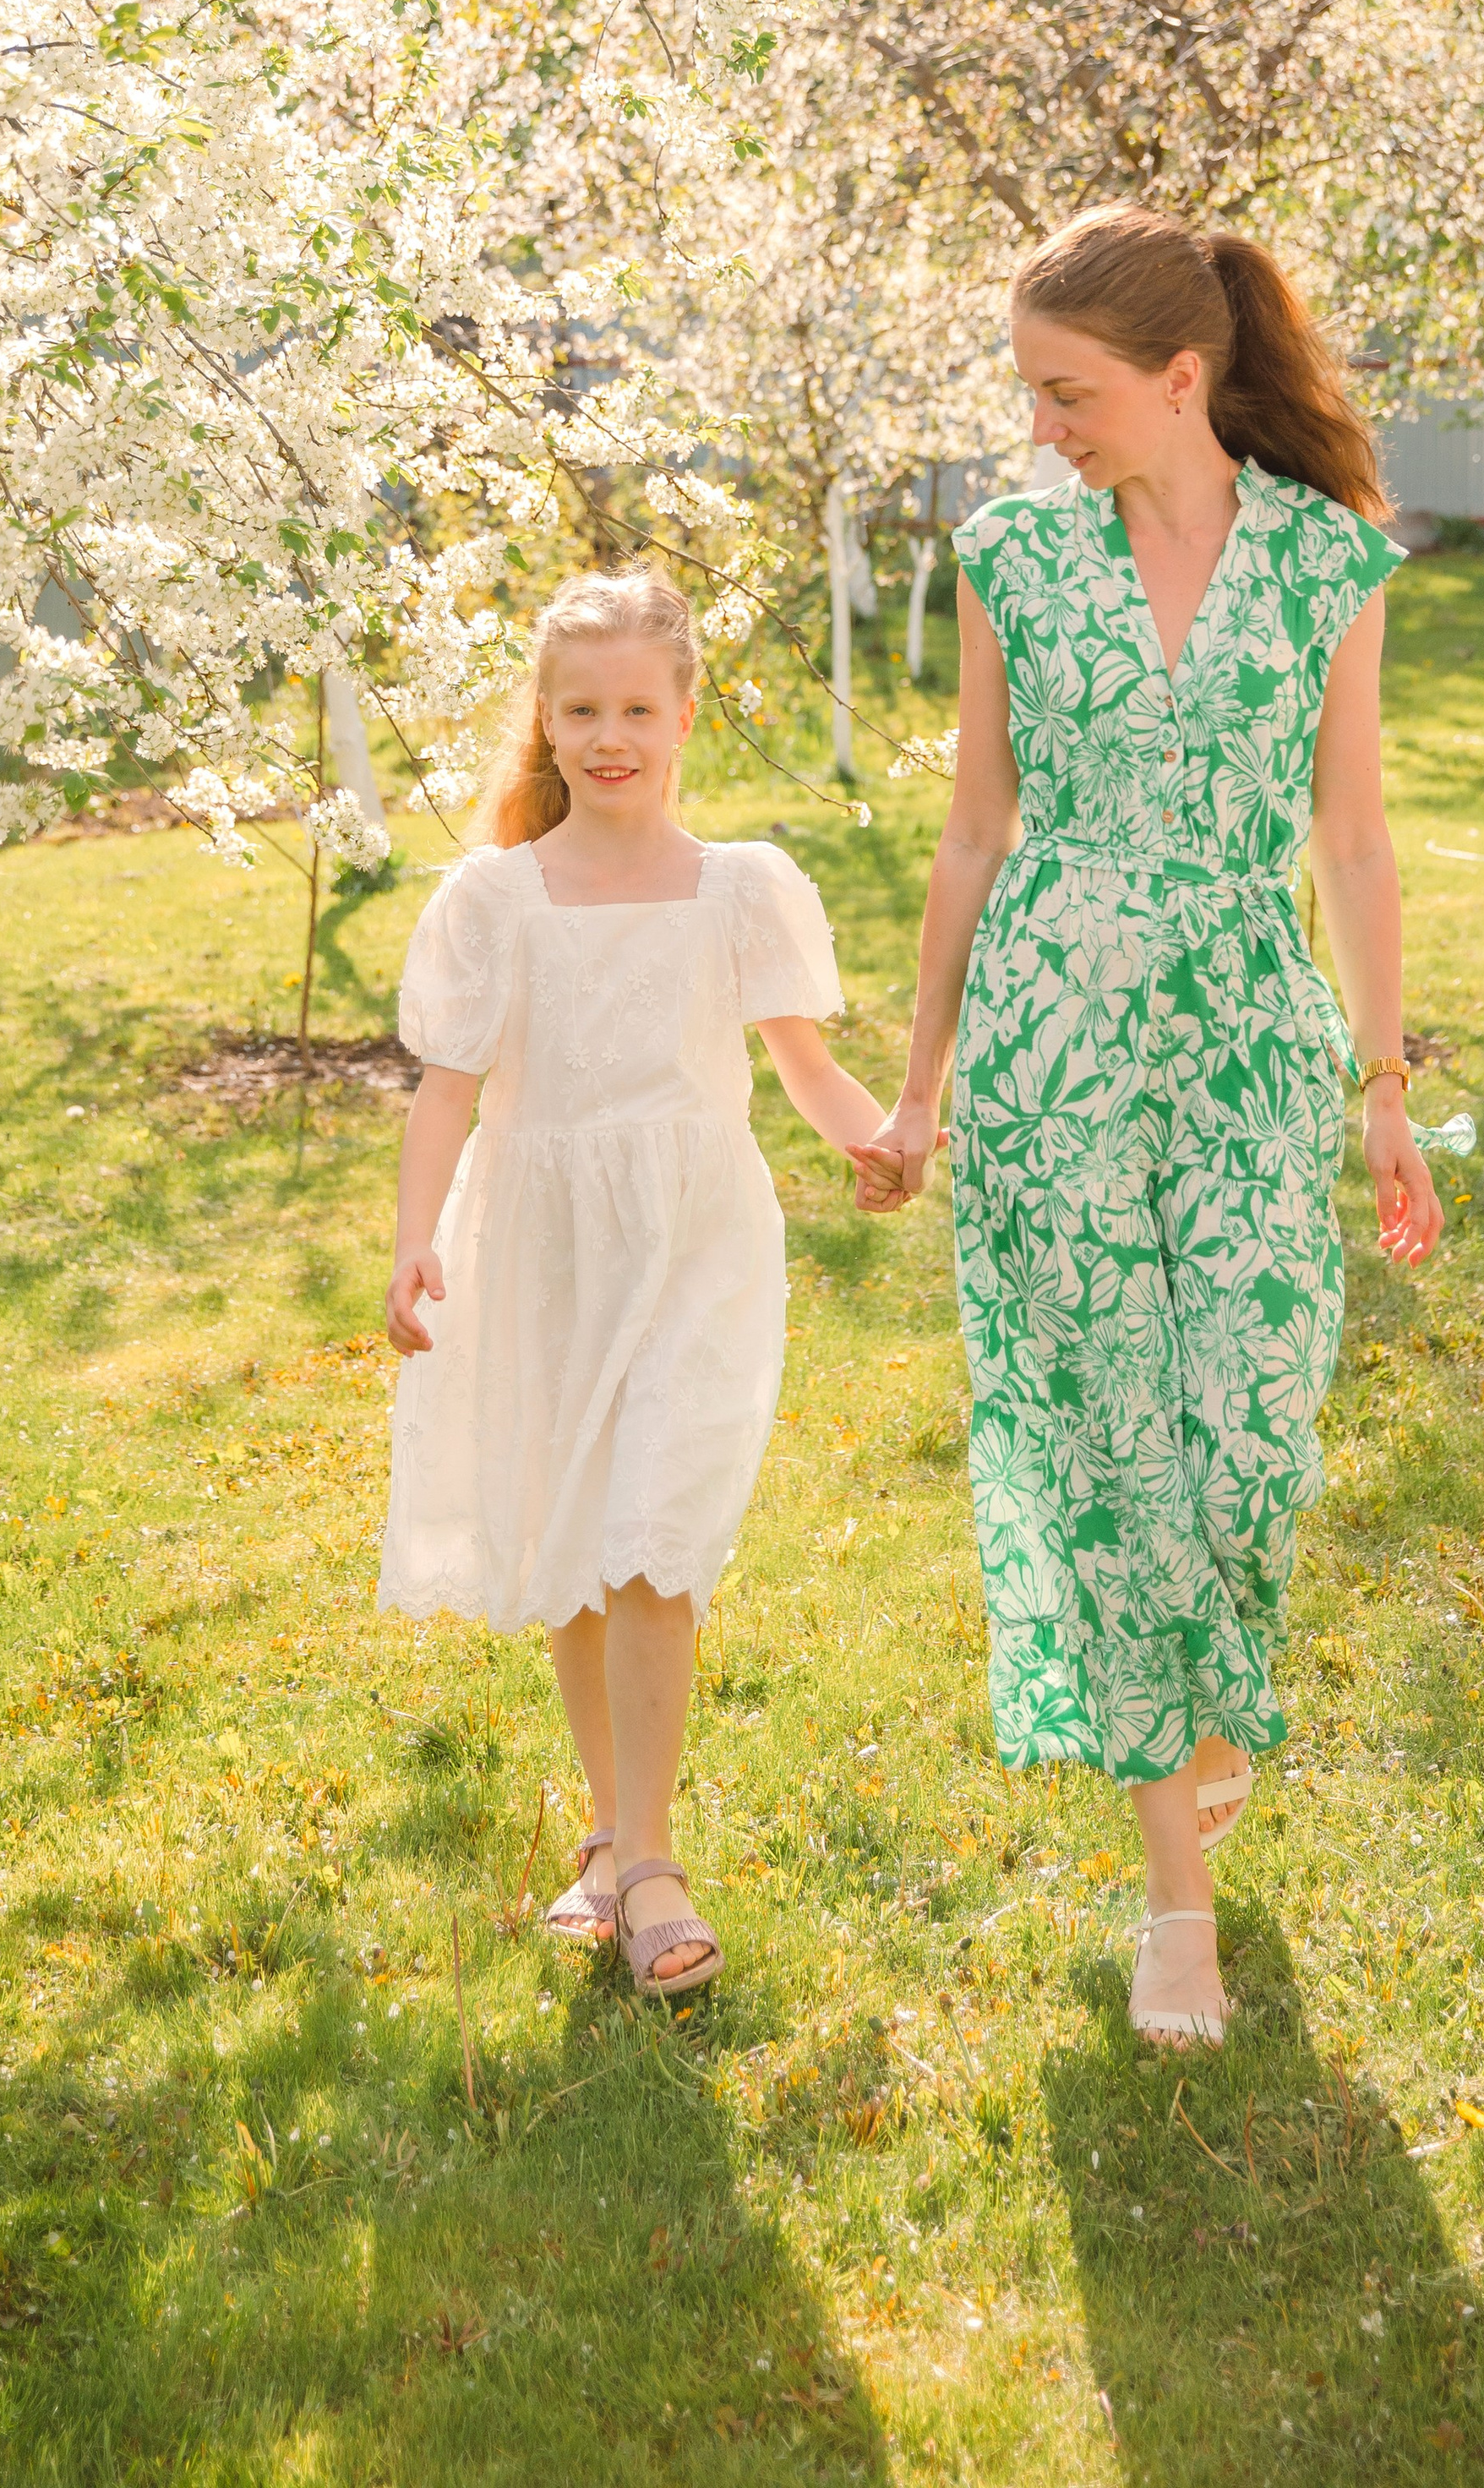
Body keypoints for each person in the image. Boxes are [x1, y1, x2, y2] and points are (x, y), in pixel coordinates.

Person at [851, 205, 1443, 2049]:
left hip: (1250, 1036)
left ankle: (1200, 1709)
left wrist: (1384, 1089)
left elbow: (1347, 836)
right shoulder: (1011, 555)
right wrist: (920, 1078)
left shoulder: (1326, 564)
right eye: (1030, 392)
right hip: (1052, 1043)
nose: (1039, 426)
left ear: (1177, 380)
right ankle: (1170, 1902)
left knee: (1249, 1428)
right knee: (1112, 1439)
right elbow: (971, 832)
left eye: (1066, 392)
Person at [379, 568, 888, 1995]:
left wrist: (885, 1139)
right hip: (541, 1242)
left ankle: (652, 1863)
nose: (612, 737)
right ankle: (609, 1839)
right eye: (583, 709)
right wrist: (415, 1239)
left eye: (638, 710)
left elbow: (803, 1065)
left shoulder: (739, 889)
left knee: (655, 1528)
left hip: (692, 1243)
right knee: (578, 1545)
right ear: (546, 719)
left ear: (684, 714)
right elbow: (445, 1090)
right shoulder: (498, 894)